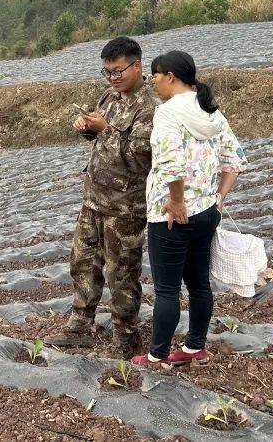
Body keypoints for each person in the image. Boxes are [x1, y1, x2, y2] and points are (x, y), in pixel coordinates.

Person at [131, 50, 247, 368]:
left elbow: (171, 164)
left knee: (167, 289)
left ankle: (158, 355)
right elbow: (235, 160)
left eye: (155, 76)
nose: (153, 83)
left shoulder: (168, 113)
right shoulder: (211, 112)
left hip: (172, 216)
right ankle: (195, 347)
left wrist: (178, 201)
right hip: (207, 212)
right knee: (198, 284)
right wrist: (219, 198)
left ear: (170, 77)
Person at [47, 36, 155, 356]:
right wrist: (87, 127)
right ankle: (81, 322)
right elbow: (99, 136)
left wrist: (106, 128)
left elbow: (140, 156)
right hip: (94, 197)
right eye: (107, 72)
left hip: (126, 205)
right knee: (83, 261)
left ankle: (126, 334)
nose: (112, 78)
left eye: (118, 72)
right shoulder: (109, 96)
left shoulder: (149, 106)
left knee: (121, 270)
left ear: (137, 66)